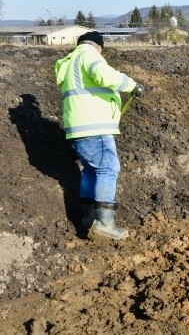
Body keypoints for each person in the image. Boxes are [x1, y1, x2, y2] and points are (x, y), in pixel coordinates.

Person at [55, 31, 144, 240]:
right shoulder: (89, 55)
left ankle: (88, 218)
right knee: (108, 168)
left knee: (91, 170)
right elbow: (105, 75)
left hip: (78, 127)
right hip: (94, 126)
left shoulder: (69, 62)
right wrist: (132, 85)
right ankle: (104, 223)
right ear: (99, 46)